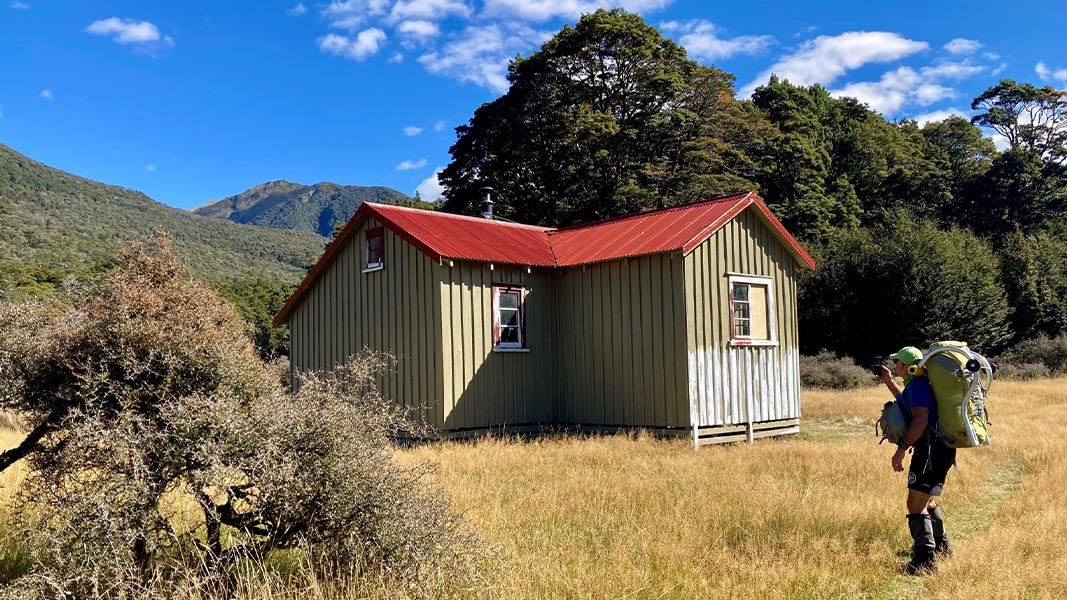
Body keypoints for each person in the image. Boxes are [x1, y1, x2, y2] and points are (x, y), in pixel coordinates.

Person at [878, 346, 956, 575]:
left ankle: (924, 563)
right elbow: (905, 401)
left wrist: (901, 449)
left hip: (930, 451)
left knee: (915, 505)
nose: (894, 366)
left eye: (896, 363)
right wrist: (888, 381)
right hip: (941, 449)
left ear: (905, 365)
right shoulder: (919, 385)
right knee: (927, 501)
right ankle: (941, 548)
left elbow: (920, 420)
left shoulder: (919, 387)